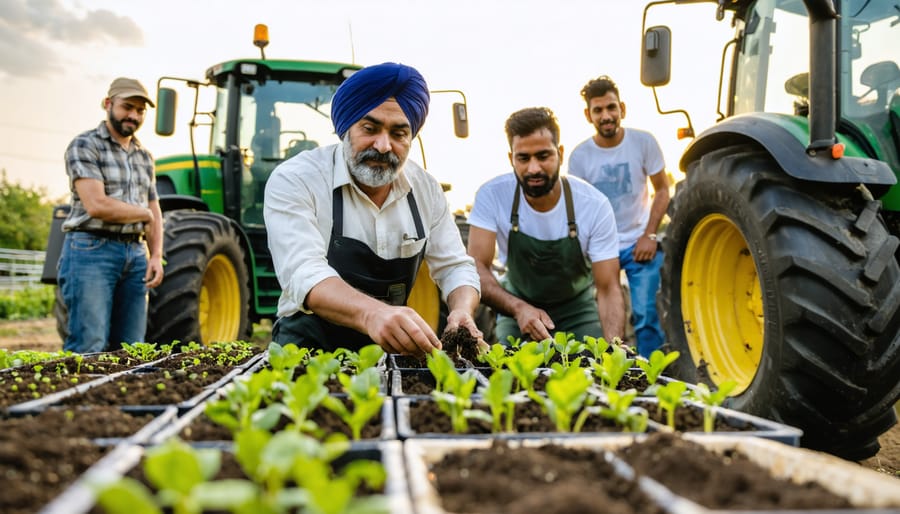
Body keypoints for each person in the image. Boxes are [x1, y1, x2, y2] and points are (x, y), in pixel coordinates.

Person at [264, 62, 483, 356]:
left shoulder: (425, 189)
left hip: (391, 350)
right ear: (345, 129)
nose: (383, 145)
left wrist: (462, 310)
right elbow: (305, 272)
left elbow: (455, 266)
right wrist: (371, 315)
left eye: (398, 134)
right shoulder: (297, 179)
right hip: (309, 345)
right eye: (370, 128)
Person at [466, 107, 625, 345]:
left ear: (560, 153)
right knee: (509, 368)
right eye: (523, 158)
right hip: (517, 302)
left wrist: (614, 347)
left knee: (593, 364)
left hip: (577, 309)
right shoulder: (492, 195)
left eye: (543, 156)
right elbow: (477, 267)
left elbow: (608, 287)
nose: (534, 169)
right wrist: (519, 308)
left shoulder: (593, 205)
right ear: (511, 158)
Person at [59, 77, 165, 353]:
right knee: (89, 345)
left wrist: (155, 255)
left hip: (135, 254)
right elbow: (96, 205)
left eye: (140, 111)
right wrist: (143, 214)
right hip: (91, 250)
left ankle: (119, 398)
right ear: (108, 104)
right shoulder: (85, 145)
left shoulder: (144, 156)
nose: (133, 115)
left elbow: (154, 208)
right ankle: (78, 397)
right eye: (127, 107)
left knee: (131, 349)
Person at [568, 75, 670, 357]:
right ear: (588, 115)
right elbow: (579, 206)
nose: (606, 115)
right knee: (603, 318)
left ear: (622, 109)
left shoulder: (644, 142)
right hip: (602, 247)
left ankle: (651, 377)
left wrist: (650, 235)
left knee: (648, 316)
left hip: (640, 242)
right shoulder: (580, 156)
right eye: (598, 110)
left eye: (611, 107)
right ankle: (613, 371)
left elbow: (662, 190)